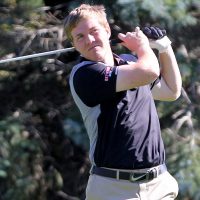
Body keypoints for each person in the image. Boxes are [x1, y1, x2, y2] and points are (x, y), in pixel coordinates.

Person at [64, 3, 182, 200]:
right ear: (74, 45)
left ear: (107, 30)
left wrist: (164, 47)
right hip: (114, 189)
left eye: (94, 31)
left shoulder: (130, 63)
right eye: (80, 37)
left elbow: (171, 91)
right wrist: (143, 46)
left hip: (159, 185)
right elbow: (149, 72)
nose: (90, 39)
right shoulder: (85, 74)